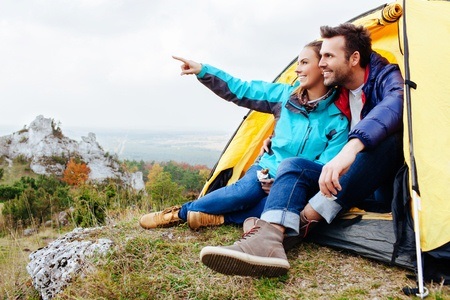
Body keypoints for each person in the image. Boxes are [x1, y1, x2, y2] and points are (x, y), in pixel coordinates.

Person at [200, 23, 404, 277]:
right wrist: (275, 139)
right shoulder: (335, 89)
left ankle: (301, 221)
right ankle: (271, 237)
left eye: (328, 56)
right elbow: (297, 118)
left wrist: (352, 148)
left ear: (354, 58)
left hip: (373, 184)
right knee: (292, 165)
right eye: (321, 57)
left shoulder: (385, 77)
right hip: (333, 182)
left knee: (389, 140)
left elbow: (395, 103)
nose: (321, 64)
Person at [139, 40, 350, 231]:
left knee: (272, 210)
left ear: (323, 66)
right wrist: (203, 71)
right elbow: (243, 90)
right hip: (267, 167)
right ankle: (180, 214)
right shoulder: (284, 96)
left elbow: (324, 168)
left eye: (304, 63)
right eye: (298, 63)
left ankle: (217, 218)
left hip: (294, 181)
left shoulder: (337, 119)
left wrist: (283, 184)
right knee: (243, 193)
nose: (297, 69)